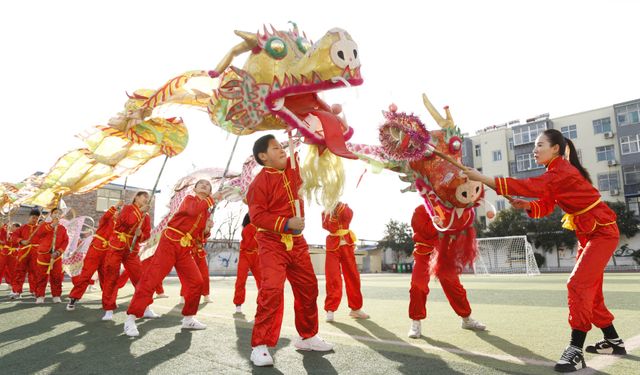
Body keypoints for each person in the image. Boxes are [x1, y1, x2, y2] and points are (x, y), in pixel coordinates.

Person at [464, 129, 625, 373]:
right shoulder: (555, 173)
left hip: (602, 233)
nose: (534, 149)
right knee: (591, 292)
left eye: (540, 145)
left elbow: (529, 185)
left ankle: (575, 350)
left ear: (556, 149)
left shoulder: (561, 172)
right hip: (589, 233)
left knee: (578, 285)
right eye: (535, 145)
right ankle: (613, 340)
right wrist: (526, 205)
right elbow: (546, 204)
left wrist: (483, 178)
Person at [247, 134, 333, 367]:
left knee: (308, 287)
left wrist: (314, 137)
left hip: (297, 243)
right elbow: (257, 217)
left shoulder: (293, 169)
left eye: (282, 145)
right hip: (271, 242)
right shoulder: (258, 184)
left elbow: (313, 155)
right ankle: (260, 345)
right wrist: (285, 223)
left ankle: (307, 336)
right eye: (276, 148)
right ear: (263, 156)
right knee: (272, 290)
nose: (282, 149)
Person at [123, 180, 221, 337]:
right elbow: (191, 211)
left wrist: (207, 229)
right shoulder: (190, 199)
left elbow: (200, 239)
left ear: (209, 191)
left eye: (207, 185)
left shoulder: (206, 212)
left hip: (185, 248)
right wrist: (212, 199)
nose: (204, 185)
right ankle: (131, 319)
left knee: (196, 281)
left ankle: (189, 318)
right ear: (195, 188)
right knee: (152, 279)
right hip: (170, 241)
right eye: (200, 184)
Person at [407, 204, 485, 339]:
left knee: (453, 285)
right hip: (423, 254)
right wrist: (436, 223)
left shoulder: (448, 210)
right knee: (417, 285)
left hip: (443, 255)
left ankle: (466, 319)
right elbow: (425, 232)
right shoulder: (419, 210)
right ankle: (416, 322)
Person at [101, 191, 151, 321]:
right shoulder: (127, 209)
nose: (146, 199)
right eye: (144, 196)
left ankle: (145, 308)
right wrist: (140, 212)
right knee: (111, 276)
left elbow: (147, 235)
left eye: (148, 198)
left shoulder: (146, 216)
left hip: (132, 249)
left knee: (139, 277)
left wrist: (140, 234)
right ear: (136, 197)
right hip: (117, 245)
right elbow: (126, 222)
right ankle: (109, 309)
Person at [67, 201, 122, 310]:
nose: (118, 213)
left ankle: (108, 302)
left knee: (106, 277)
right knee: (86, 274)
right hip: (96, 249)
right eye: (116, 212)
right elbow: (106, 216)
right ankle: (73, 298)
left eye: (119, 212)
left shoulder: (119, 226)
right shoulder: (106, 220)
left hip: (107, 252)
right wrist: (115, 206)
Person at [321, 202, 368, 322]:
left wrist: (338, 209)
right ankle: (330, 310)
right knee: (333, 277)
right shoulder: (325, 212)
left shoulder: (345, 207)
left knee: (352, 276)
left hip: (347, 245)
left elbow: (349, 216)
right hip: (332, 246)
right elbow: (330, 227)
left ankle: (355, 309)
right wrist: (333, 214)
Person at [31, 208, 69, 304]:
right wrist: (52, 225)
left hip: (56, 256)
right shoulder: (44, 225)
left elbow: (65, 241)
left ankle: (56, 295)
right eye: (55, 213)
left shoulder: (63, 228)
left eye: (59, 213)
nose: (57, 214)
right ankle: (40, 296)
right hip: (43, 255)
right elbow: (39, 234)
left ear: (61, 216)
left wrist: (58, 252)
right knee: (41, 276)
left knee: (56, 277)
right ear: (51, 215)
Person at [233, 213, 262, 313]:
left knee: (262, 280)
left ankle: (262, 303)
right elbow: (250, 244)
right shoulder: (248, 228)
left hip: (256, 255)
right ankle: (238, 304)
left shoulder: (259, 227)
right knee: (241, 279)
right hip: (245, 255)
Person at [11, 209, 41, 298]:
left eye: (36, 218)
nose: (34, 219)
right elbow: (14, 236)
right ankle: (17, 291)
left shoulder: (40, 228)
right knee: (19, 271)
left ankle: (35, 290)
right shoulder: (22, 228)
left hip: (35, 252)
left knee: (35, 272)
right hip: (23, 252)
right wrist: (21, 241)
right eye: (33, 217)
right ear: (29, 217)